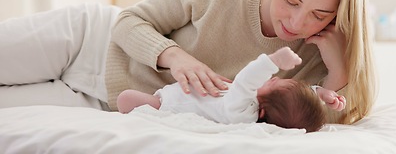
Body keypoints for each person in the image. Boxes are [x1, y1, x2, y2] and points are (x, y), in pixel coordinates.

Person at [0, 0, 375, 125]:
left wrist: (340, 66)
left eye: (319, 15)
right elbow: (129, 21)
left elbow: (322, 122)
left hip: (102, 103)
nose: (296, 22)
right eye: (291, 0)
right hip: (87, 41)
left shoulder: (315, 56)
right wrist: (175, 57)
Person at [117, 47, 344, 132]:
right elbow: (297, 99)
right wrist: (320, 93)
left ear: (261, 111)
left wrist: (273, 60)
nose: (272, 78)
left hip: (169, 104)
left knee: (126, 98)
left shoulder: (242, 112)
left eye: (273, 83)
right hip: (181, 90)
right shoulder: (254, 106)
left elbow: (246, 80)